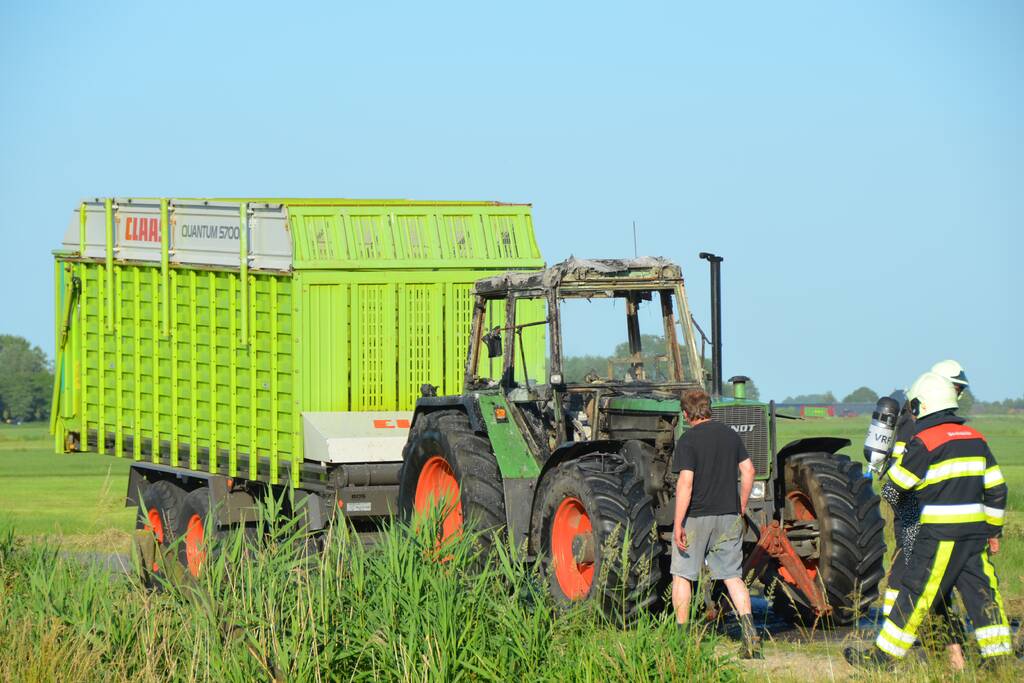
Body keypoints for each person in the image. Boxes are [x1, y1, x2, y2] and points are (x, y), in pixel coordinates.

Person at [846, 371, 1010, 669]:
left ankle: (881, 659)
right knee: (982, 594)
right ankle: (999, 660)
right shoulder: (976, 438)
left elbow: (895, 486)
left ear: (921, 405)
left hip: (938, 534)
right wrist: (993, 531)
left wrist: (911, 509)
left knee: (914, 593)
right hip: (975, 536)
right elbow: (997, 489)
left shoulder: (926, 440)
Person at [880, 361, 970, 668]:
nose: (957, 394)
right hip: (916, 510)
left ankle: (907, 644)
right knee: (919, 578)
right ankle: (929, 649)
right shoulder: (915, 424)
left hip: (920, 509)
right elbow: (903, 477)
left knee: (914, 577)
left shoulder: (919, 420)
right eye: (955, 388)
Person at [671, 388, 759, 658]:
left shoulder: (687, 441)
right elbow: (749, 470)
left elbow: (685, 483)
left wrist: (677, 524)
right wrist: (741, 504)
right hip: (729, 515)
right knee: (733, 576)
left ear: (686, 414)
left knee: (682, 575)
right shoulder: (730, 435)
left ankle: (682, 640)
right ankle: (750, 636)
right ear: (708, 408)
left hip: (696, 517)